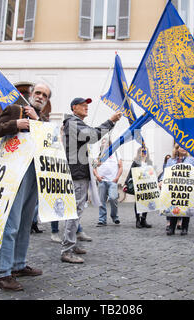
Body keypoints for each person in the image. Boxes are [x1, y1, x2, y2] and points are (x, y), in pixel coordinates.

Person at [0, 83, 52, 291]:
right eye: (38, 93)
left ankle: (19, 265)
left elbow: (51, 144)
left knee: (24, 224)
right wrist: (17, 123)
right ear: (31, 95)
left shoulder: (44, 121)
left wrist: (37, 122)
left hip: (35, 175)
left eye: (45, 95)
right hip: (15, 175)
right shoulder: (15, 110)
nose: (40, 96)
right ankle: (3, 273)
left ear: (47, 101)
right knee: (12, 224)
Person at [61, 97, 121, 263]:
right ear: (74, 108)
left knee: (77, 211)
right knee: (74, 211)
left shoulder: (75, 122)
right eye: (83, 105)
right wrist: (110, 121)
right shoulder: (73, 122)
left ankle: (71, 245)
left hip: (80, 171)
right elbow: (93, 136)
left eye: (87, 105)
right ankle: (67, 250)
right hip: (77, 173)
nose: (86, 107)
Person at [164, 145, 194, 236]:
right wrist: (161, 181)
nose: (183, 148)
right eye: (181, 147)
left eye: (185, 147)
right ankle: (172, 228)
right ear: (177, 149)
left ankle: (184, 228)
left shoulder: (191, 160)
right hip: (174, 188)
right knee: (174, 206)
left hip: (187, 188)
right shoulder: (170, 161)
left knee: (186, 207)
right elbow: (166, 172)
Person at [94, 138, 123, 226]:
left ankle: (114, 216)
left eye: (106, 143)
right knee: (101, 201)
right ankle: (102, 220)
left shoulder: (116, 153)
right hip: (102, 181)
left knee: (113, 198)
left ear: (110, 145)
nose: (104, 145)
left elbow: (121, 167)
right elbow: (94, 167)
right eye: (102, 143)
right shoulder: (99, 155)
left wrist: (117, 177)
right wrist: (97, 176)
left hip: (112, 181)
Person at [125, 146, 154, 229]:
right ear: (139, 152)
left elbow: (152, 172)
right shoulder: (136, 162)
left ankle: (143, 220)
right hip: (138, 184)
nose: (144, 153)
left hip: (147, 184)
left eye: (145, 151)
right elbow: (130, 172)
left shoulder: (149, 162)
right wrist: (126, 182)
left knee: (146, 201)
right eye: (142, 151)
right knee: (138, 202)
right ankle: (137, 220)